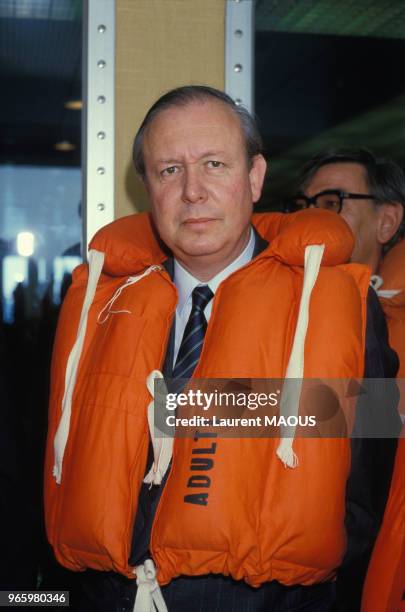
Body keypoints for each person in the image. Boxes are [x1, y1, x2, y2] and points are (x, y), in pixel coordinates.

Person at [44, 88, 399, 612]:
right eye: (169, 170)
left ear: (255, 177)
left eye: (214, 164)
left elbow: (367, 490)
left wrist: (194, 406)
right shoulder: (93, 310)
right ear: (147, 186)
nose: (193, 192)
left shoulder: (337, 305)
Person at [292, 148, 405, 610]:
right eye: (303, 205)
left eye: (333, 201)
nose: (311, 218)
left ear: (386, 222)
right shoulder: (287, 306)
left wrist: (193, 408)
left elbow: (378, 418)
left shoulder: (393, 319)